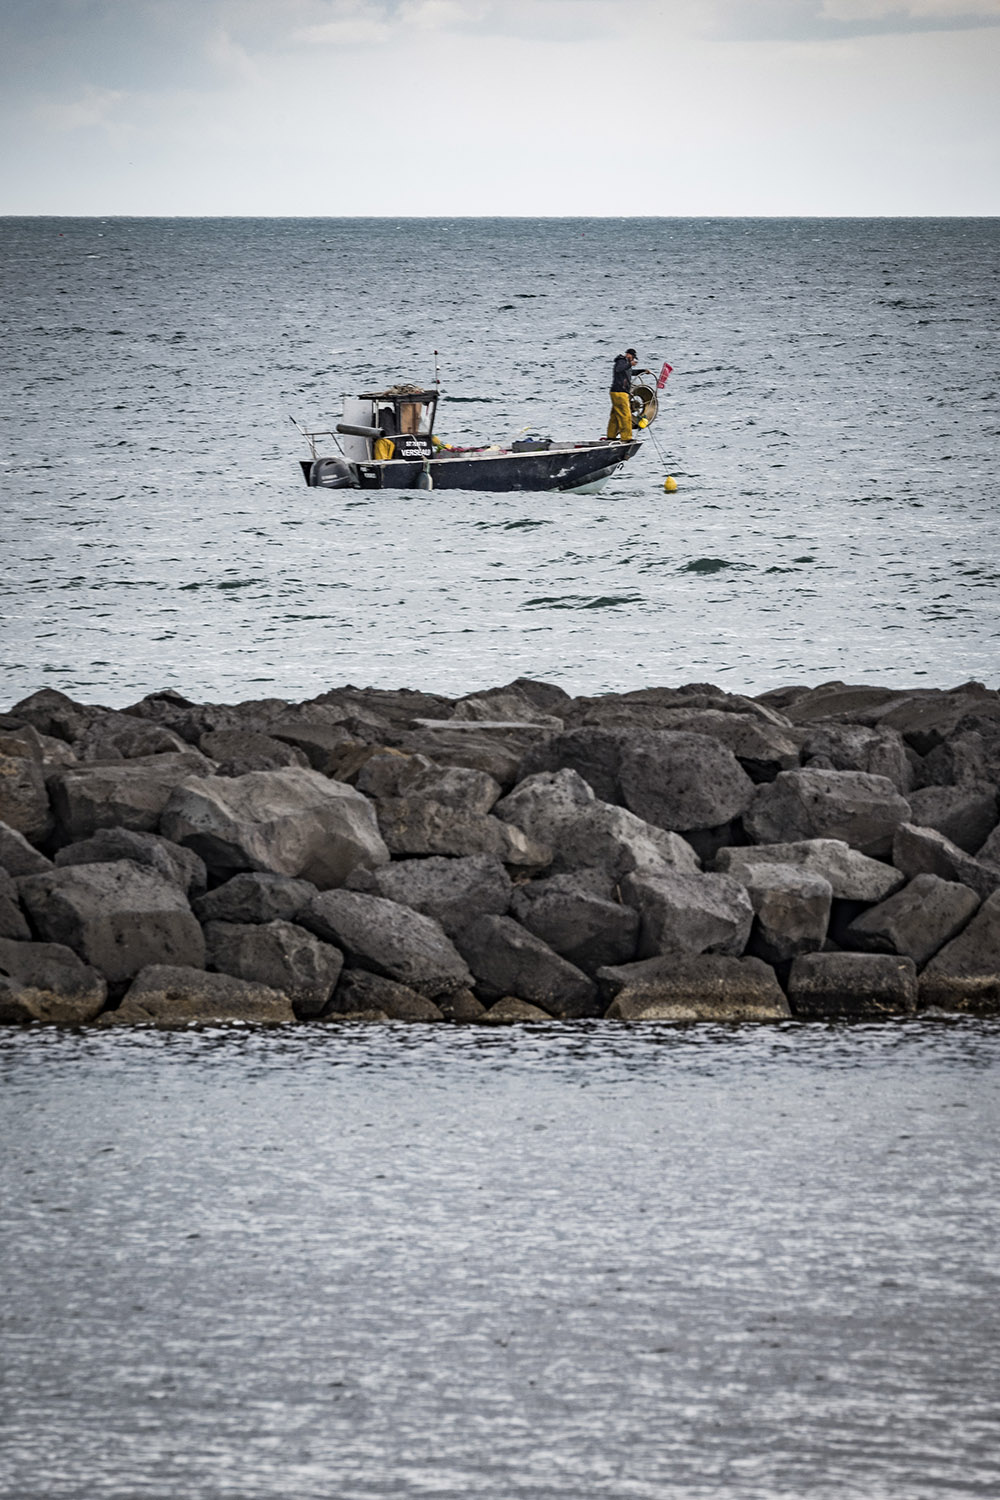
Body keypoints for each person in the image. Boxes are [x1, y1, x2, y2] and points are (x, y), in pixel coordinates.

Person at [607, 348, 638, 441]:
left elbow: (630, 372)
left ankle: (611, 436)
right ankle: (626, 438)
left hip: (615, 392)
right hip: (620, 392)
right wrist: (630, 364)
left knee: (615, 415)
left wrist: (643, 371)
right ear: (628, 354)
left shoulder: (625, 364)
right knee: (626, 415)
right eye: (632, 357)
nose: (633, 359)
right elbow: (619, 369)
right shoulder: (621, 361)